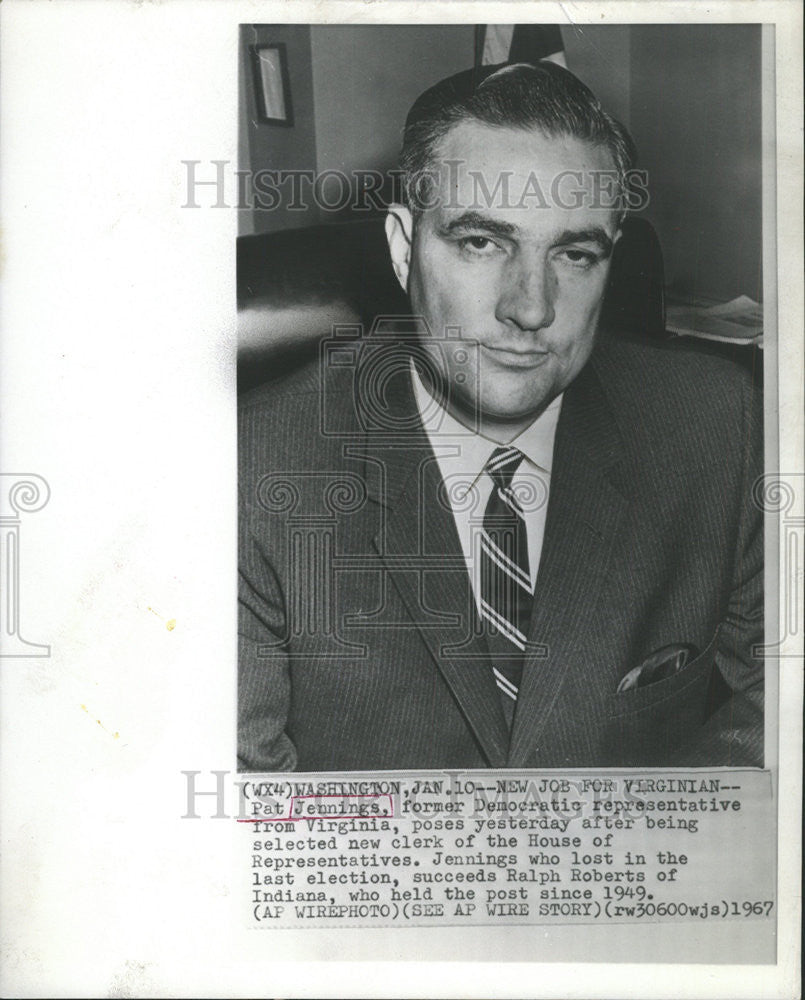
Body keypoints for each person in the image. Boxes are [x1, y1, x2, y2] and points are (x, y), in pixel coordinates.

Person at [238, 61, 763, 772]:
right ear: (403, 247)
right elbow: (246, 817)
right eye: (481, 243)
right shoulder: (251, 470)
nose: (530, 307)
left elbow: (776, 700)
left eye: (574, 254)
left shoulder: (712, 424)